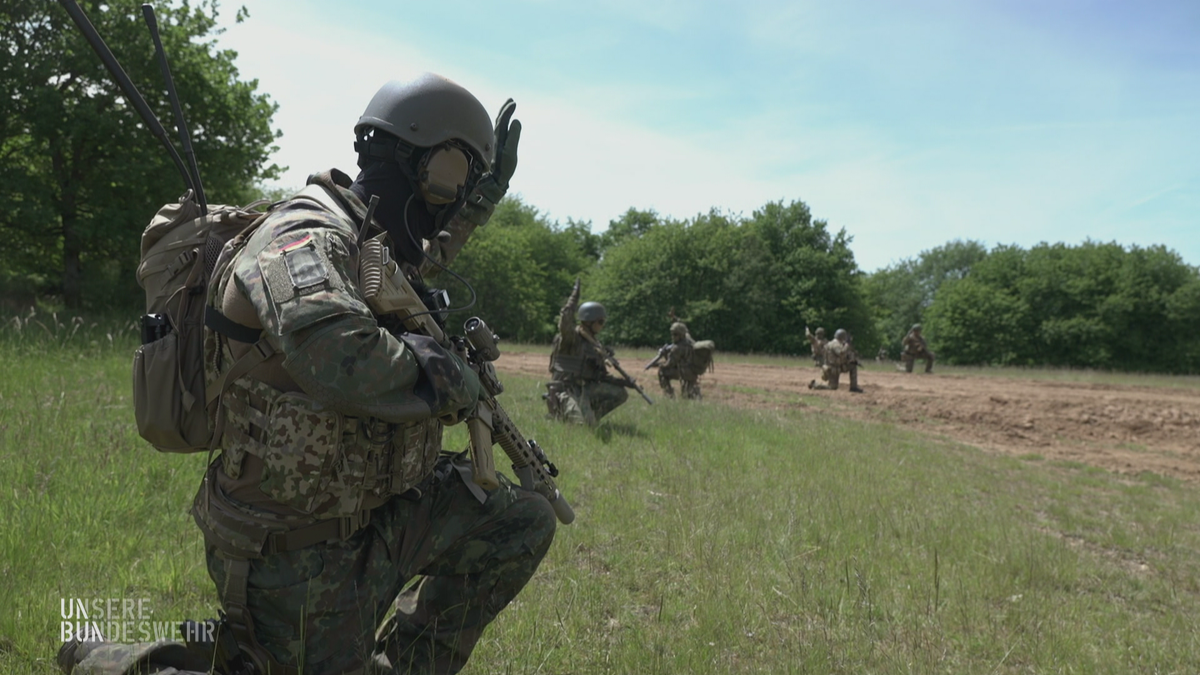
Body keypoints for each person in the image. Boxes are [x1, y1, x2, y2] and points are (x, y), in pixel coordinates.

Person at [58, 74, 557, 675]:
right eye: (462, 180)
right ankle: (118, 660)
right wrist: (451, 378)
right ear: (435, 163)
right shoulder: (303, 236)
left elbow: (422, 265)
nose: (454, 201)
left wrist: (481, 206)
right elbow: (338, 357)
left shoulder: (369, 237)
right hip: (292, 548)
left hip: (370, 508)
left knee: (520, 519)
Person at [544, 279, 630, 425]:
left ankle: (591, 416)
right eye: (600, 322)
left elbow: (600, 376)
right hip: (567, 390)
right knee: (580, 425)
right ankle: (564, 414)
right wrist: (574, 298)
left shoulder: (595, 344)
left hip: (584, 389)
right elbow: (565, 321)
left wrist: (622, 382)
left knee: (620, 393)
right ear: (589, 321)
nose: (602, 326)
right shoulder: (571, 338)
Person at [654, 321, 710, 400]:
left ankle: (669, 395)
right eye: (672, 334)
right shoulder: (689, 341)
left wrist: (659, 364)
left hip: (683, 373)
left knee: (662, 371)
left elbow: (669, 364)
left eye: (675, 334)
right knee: (688, 394)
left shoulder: (677, 348)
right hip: (693, 372)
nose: (673, 337)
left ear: (680, 335)